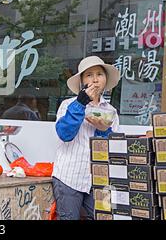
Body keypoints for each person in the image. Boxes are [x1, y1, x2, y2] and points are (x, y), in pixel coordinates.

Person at [52, 56, 120, 220]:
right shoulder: (68, 104)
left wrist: (104, 130)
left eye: (99, 74)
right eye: (89, 75)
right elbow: (64, 134)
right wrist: (81, 103)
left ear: (105, 79)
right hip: (69, 177)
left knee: (105, 216)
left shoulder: (111, 111)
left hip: (98, 180)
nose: (95, 79)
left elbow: (112, 150)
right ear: (82, 80)